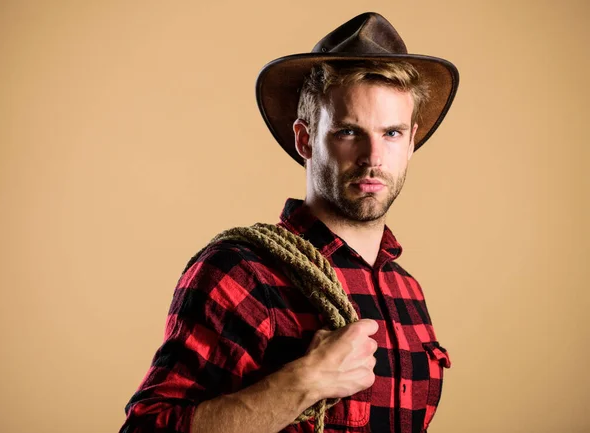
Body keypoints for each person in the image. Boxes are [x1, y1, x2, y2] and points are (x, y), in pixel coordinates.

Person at [119, 11, 459, 433]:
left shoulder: (406, 290)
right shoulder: (243, 271)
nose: (373, 158)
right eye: (349, 132)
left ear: (411, 140)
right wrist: (305, 381)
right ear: (305, 139)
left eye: (391, 133)